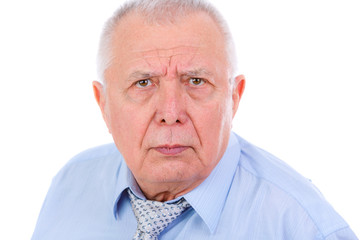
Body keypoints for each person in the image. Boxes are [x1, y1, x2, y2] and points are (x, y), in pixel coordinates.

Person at [32, 0, 358, 239]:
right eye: (143, 83)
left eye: (196, 81)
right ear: (103, 103)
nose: (171, 113)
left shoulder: (303, 227)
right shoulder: (69, 186)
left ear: (234, 97)